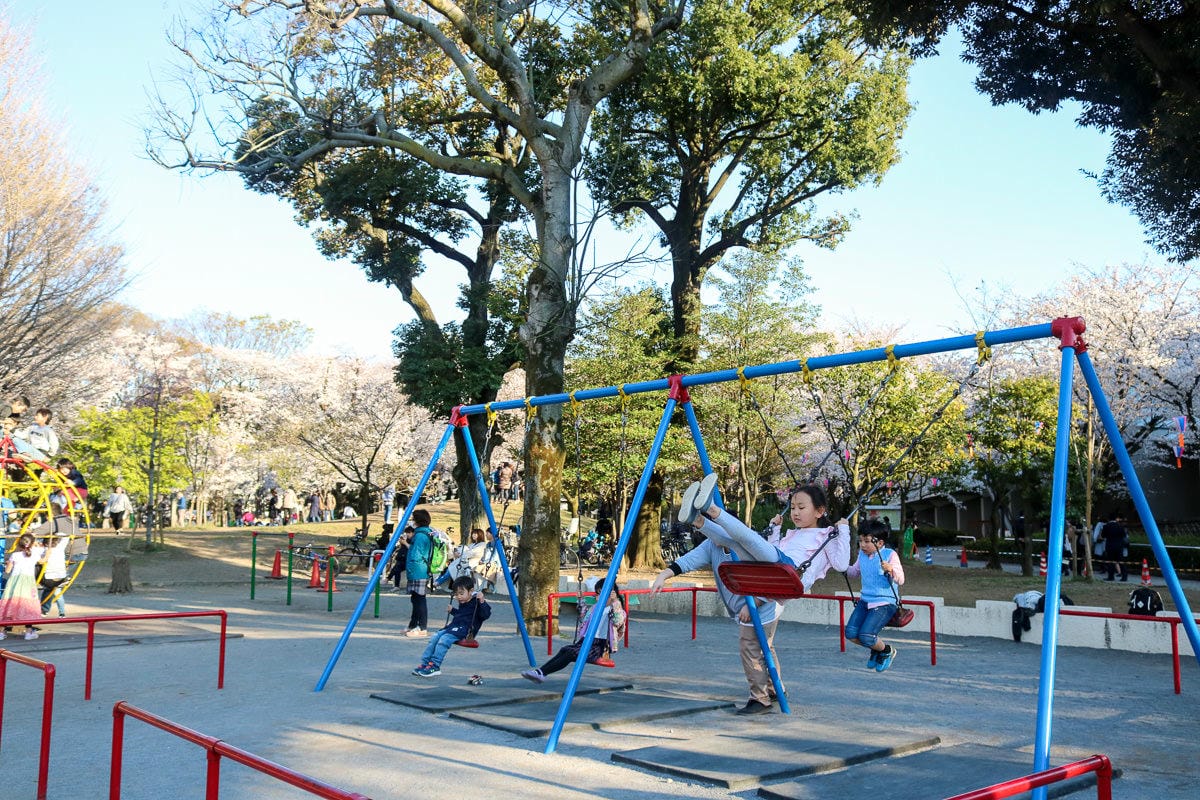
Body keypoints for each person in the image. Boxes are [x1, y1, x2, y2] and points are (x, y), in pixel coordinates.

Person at [652, 479, 849, 715]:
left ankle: (760, 698)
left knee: (751, 645)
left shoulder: (827, 535)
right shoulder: (792, 534)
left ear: (819, 511)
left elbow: (841, 563)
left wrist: (843, 530)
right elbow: (770, 548)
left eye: (801, 508)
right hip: (770, 568)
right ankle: (699, 520)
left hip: (787, 575)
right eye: (793, 507)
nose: (795, 512)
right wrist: (775, 530)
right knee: (738, 542)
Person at [522, 583, 626, 684]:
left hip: (599, 646)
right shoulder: (595, 608)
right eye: (596, 593)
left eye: (599, 593)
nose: (596, 596)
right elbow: (583, 618)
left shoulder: (615, 610)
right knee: (565, 649)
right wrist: (581, 600)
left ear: (610, 595)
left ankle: (541, 673)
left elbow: (618, 621)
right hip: (585, 640)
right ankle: (540, 672)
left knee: (570, 653)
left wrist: (615, 601)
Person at [845, 519, 905, 672]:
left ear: (879, 543)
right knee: (851, 633)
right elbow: (854, 572)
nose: (862, 545)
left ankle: (886, 650)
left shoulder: (889, 554)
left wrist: (890, 569)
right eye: (860, 541)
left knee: (866, 635)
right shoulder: (862, 555)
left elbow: (901, 579)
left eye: (867, 541)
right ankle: (876, 649)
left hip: (885, 602)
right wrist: (840, 566)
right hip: (865, 600)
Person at [411, 576, 491, 677]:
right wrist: (453, 611)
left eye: (461, 594)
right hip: (454, 628)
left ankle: (435, 666)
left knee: (444, 639)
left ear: (471, 591)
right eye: (456, 594)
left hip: (465, 631)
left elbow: (485, 615)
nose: (459, 597)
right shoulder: (464, 602)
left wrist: (482, 601)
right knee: (435, 637)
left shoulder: (477, 602)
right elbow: (463, 616)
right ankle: (425, 664)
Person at [0, 533, 46, 640]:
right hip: (28, 582)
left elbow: (7, 570)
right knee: (28, 606)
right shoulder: (34, 555)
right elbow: (43, 561)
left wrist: (7, 563)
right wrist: (48, 553)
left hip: (14, 582)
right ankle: (29, 632)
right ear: (32, 543)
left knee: (10, 604)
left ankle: (2, 632)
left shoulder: (15, 555)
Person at [403, 509, 436, 637]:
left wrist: (410, 568)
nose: (412, 521)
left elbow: (415, 554)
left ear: (417, 520)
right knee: (415, 598)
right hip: (420, 570)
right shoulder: (426, 533)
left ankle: (422, 627)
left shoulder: (420, 535)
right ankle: (413, 625)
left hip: (417, 570)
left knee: (419, 599)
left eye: (413, 518)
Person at [1102, 515, 1130, 581]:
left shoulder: (1106, 526)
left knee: (1110, 561)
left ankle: (1111, 576)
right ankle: (1124, 577)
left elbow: (1103, 535)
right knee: (1121, 561)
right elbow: (1124, 535)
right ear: (1116, 519)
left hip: (1110, 546)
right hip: (1119, 546)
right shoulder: (1120, 526)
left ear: (1109, 519)